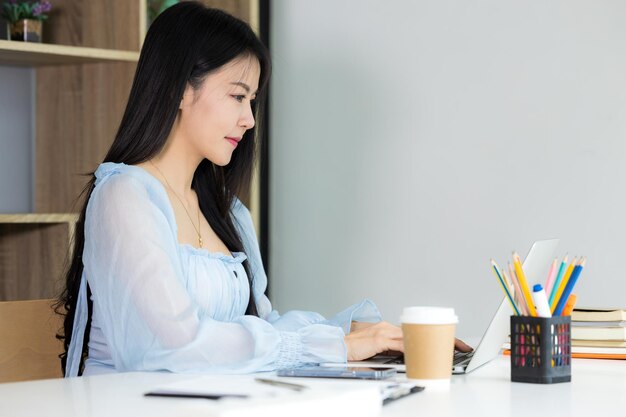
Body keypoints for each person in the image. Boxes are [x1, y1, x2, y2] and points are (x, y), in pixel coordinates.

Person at [57, 2, 470, 377]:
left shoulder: (229, 212)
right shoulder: (124, 196)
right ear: (181, 88)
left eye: (251, 100)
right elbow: (169, 346)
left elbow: (263, 329)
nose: (249, 120)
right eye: (237, 96)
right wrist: (336, 346)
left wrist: (357, 333)